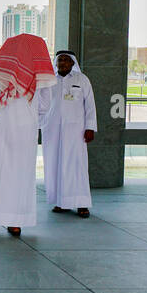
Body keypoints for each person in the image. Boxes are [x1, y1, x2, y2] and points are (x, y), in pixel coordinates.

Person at [0, 33, 57, 237]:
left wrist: (6, 106)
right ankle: (15, 222)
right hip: (26, 129)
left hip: (3, 125)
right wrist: (29, 111)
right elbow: (46, 105)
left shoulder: (2, 71)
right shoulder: (41, 75)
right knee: (21, 173)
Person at [41, 50, 97, 218]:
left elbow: (90, 106)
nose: (63, 63)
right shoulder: (49, 81)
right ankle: (62, 202)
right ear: (56, 62)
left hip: (76, 131)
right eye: (60, 60)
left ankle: (82, 204)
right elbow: (41, 105)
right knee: (55, 165)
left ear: (73, 63)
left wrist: (90, 127)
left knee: (77, 166)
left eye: (67, 60)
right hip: (52, 131)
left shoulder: (82, 79)